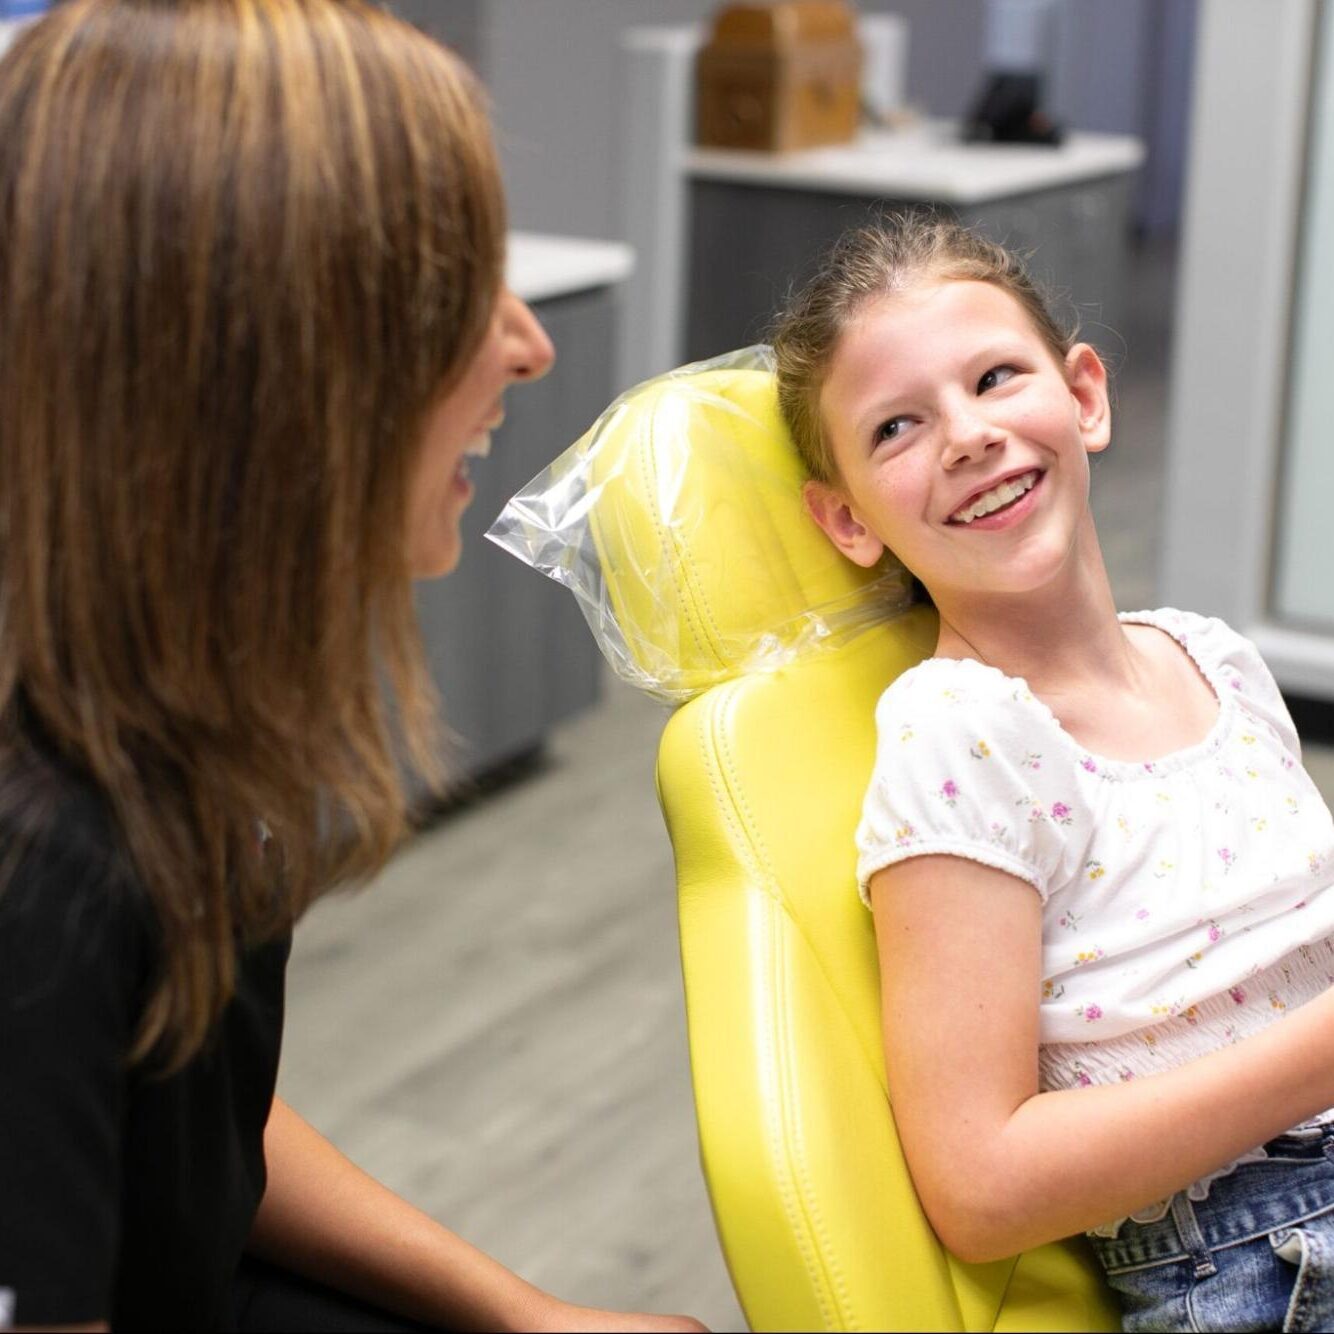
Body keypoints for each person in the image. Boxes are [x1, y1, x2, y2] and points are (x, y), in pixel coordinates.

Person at [0, 3, 707, 1330]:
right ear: (268, 351)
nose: (527, 342)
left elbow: (184, 1113)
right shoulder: (41, 866)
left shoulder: (171, 711)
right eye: (455, 292)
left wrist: (522, 1313)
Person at [770, 214, 1334, 1332]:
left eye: (993, 376)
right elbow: (980, 1187)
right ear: (846, 519)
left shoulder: (1209, 655)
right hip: (1270, 1250)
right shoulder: (963, 732)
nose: (967, 434)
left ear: (1083, 395)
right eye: (896, 427)